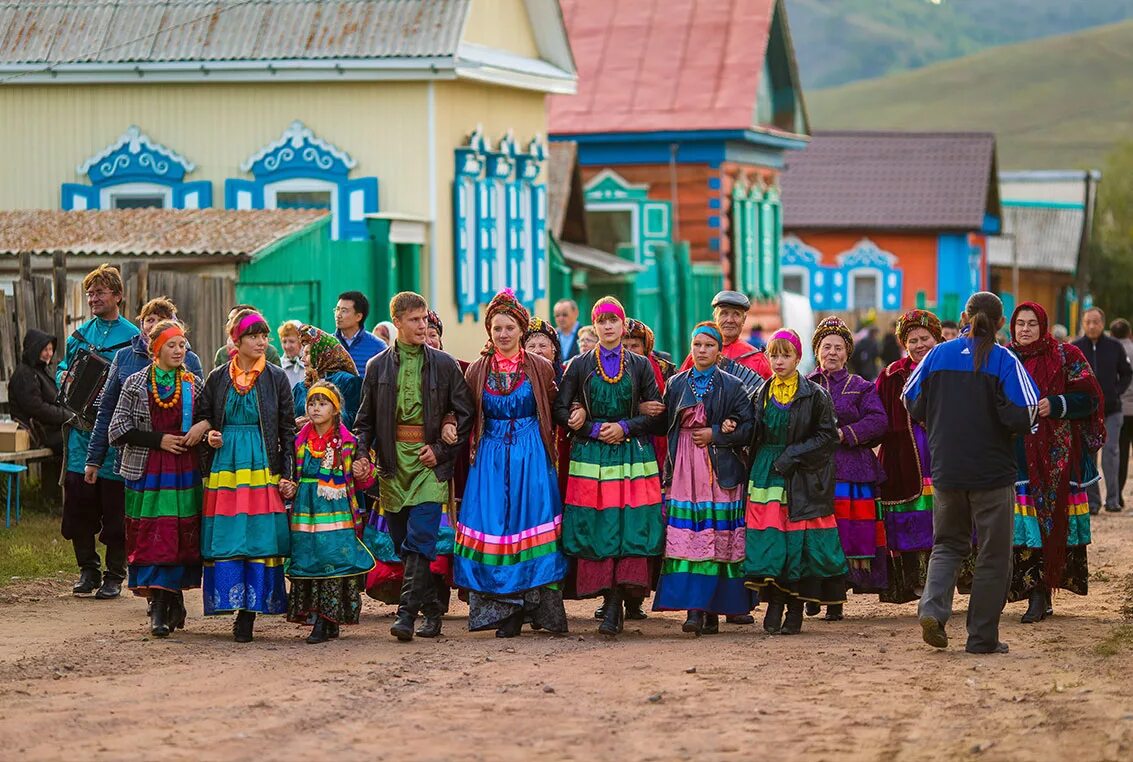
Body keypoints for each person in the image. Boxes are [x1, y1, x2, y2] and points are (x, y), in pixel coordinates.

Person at [905, 292, 1039, 655]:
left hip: (946, 468)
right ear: (1000, 322)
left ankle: (932, 610)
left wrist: (934, 421)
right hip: (992, 475)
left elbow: (910, 396)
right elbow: (1026, 413)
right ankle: (982, 638)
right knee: (994, 555)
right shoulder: (1004, 359)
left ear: (965, 316)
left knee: (947, 545)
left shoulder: (937, 354)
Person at [353, 292, 474, 642]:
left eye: (425, 319)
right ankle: (433, 609)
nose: (423, 326)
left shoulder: (444, 363)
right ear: (398, 323)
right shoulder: (377, 366)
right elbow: (365, 422)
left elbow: (465, 414)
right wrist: (363, 454)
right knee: (403, 542)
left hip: (428, 466)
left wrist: (440, 450)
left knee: (421, 538)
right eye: (415, 320)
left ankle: (406, 615)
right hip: (392, 466)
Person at [456, 290, 568, 637]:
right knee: (493, 527)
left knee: (530, 526)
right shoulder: (476, 370)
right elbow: (463, 412)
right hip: (489, 457)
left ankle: (535, 608)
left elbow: (555, 408)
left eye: (509, 327)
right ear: (489, 331)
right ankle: (502, 612)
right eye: (496, 328)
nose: (503, 334)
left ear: (521, 329)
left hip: (532, 455)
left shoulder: (540, 367)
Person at [554, 296, 665, 637]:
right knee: (599, 526)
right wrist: (591, 428)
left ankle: (617, 602)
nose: (607, 326)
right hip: (591, 458)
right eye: (601, 321)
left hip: (632, 456)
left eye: (613, 320)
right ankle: (607, 599)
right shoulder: (580, 365)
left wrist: (626, 427)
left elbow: (656, 413)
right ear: (595, 324)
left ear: (623, 323)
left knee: (629, 525)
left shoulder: (641, 365)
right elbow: (561, 410)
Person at [196, 309, 296, 643]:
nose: (261, 342)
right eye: (254, 336)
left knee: (257, 535)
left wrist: (286, 472)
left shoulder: (276, 378)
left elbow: (286, 428)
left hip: (261, 464)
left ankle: (249, 613)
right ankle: (231, 601)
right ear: (236, 341)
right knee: (229, 534)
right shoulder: (217, 377)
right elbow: (204, 416)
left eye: (264, 336)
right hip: (226, 466)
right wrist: (211, 435)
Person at [652, 322, 755, 635]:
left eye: (709, 346)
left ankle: (715, 608)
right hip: (683, 466)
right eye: (697, 345)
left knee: (719, 537)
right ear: (690, 347)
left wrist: (716, 436)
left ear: (719, 350)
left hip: (719, 468)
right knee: (690, 535)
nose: (702, 351)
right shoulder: (675, 384)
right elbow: (661, 426)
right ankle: (695, 610)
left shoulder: (733, 386)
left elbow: (749, 428)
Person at [744, 329, 845, 635]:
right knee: (771, 545)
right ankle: (774, 603)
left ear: (799, 358)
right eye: (773, 354)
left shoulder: (816, 395)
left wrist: (792, 456)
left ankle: (795, 609)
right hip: (765, 477)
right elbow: (753, 434)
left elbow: (827, 437)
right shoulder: (760, 394)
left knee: (798, 546)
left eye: (785, 355)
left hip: (803, 478)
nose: (778, 361)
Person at [108, 321, 205, 637]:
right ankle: (159, 608)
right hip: (147, 472)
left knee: (178, 536)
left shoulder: (193, 385)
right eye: (172, 345)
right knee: (153, 538)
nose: (179, 351)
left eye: (182, 345)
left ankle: (172, 597)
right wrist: (158, 440)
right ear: (155, 349)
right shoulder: (136, 384)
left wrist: (202, 427)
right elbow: (117, 429)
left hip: (183, 473)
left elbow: (212, 416)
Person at [1008, 303, 1103, 623]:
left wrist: (1057, 404)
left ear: (1043, 325)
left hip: (1058, 457)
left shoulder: (1066, 356)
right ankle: (1031, 590)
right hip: (1016, 458)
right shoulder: (1004, 358)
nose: (1024, 329)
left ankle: (1044, 591)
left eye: (1031, 324)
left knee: (1051, 521)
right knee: (1025, 528)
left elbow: (1090, 397)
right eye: (1019, 323)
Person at [57, 265, 141, 599]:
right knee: (79, 503)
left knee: (115, 508)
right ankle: (87, 570)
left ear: (117, 296)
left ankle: (115, 574)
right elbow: (64, 367)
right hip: (81, 433)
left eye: (100, 292)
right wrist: (63, 378)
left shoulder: (133, 337)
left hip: (116, 438)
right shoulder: (79, 336)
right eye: (90, 293)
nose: (93, 298)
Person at [807, 317, 888, 620]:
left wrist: (844, 434)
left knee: (843, 535)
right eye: (826, 346)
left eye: (838, 348)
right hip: (813, 473)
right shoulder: (804, 385)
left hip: (850, 471)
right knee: (815, 533)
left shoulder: (861, 387)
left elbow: (878, 421)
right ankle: (813, 589)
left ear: (847, 353)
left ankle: (835, 598)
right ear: (817, 351)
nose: (832, 353)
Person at [286, 380, 377, 644]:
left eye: (323, 403)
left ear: (335, 409)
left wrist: (365, 470)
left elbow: (363, 480)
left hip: (337, 514)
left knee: (334, 558)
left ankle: (328, 620)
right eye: (312, 403)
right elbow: (293, 473)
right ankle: (320, 618)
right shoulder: (299, 440)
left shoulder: (349, 443)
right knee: (310, 557)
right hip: (307, 512)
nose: (316, 409)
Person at [87, 297, 204, 499]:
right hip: (139, 460)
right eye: (150, 319)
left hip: (181, 461)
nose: (155, 324)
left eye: (162, 319)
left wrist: (204, 427)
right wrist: (94, 458)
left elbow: (204, 410)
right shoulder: (128, 367)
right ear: (141, 324)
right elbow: (109, 413)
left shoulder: (190, 369)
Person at [875, 310, 942, 604]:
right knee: (912, 520)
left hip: (940, 455)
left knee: (941, 519)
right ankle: (915, 583)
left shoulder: (948, 367)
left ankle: (942, 584)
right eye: (912, 340)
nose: (919, 345)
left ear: (936, 339)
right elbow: (876, 415)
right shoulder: (891, 374)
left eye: (924, 338)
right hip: (903, 459)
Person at [1073, 308, 1133, 513]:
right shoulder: (1075, 348)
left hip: (1112, 411)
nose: (1091, 326)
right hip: (1086, 413)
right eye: (1088, 322)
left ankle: (1113, 499)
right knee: (1088, 457)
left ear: (1103, 323)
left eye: (1096, 322)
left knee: (1111, 453)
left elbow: (1126, 374)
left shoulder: (1115, 347)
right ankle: (1092, 501)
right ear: (1082, 323)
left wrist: (1116, 392)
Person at [679, 290, 771, 380]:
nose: (730, 320)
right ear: (715, 316)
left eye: (736, 314)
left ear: (744, 319)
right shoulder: (698, 354)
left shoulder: (757, 359)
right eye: (724, 313)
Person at [9, 329, 69, 455]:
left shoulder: (40, 371)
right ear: (34, 349)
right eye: (45, 349)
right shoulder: (25, 374)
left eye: (51, 349)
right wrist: (66, 416)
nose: (49, 353)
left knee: (84, 436)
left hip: (50, 429)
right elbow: (37, 408)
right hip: (38, 433)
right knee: (76, 441)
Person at [291, 325, 362, 429]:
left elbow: (356, 421)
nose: (302, 359)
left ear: (321, 354)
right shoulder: (300, 388)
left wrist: (323, 419)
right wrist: (295, 425)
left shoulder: (348, 381)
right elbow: (288, 420)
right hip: (306, 444)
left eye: (307, 353)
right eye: (303, 354)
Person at [213, 304, 281, 367]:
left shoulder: (269, 353)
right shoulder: (222, 353)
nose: (229, 324)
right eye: (229, 319)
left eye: (234, 319)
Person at [335, 291, 387, 372]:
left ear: (358, 317)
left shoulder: (378, 347)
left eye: (344, 311)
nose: (338, 315)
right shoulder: (328, 344)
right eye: (337, 309)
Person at [1114, 319, 1133, 508]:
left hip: (1120, 410)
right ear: (1129, 333)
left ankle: (1117, 494)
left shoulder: (1111, 350)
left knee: (1121, 452)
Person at [523, 316, 564, 384]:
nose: (537, 351)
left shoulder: (566, 375)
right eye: (531, 346)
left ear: (553, 350)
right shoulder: (517, 378)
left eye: (543, 346)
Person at [278, 320, 307, 389]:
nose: (287, 346)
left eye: (291, 341)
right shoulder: (279, 365)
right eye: (284, 341)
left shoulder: (310, 364)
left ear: (301, 341)